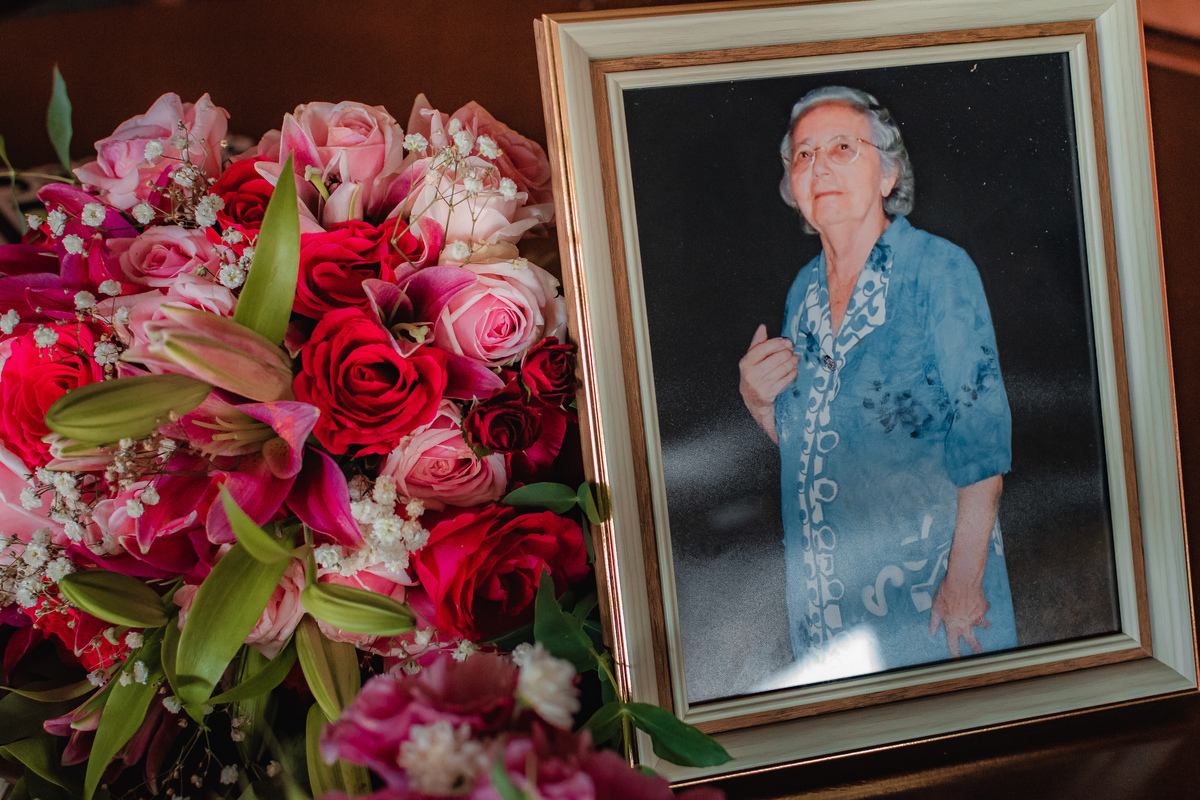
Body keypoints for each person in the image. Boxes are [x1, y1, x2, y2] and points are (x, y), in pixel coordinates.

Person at [739, 86, 1018, 682]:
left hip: (931, 597)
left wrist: (963, 586)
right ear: (794, 190)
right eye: (804, 156)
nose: (820, 167)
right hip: (824, 601)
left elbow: (984, 443)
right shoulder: (803, 293)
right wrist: (758, 400)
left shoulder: (938, 270)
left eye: (843, 147)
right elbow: (809, 448)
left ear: (888, 174)